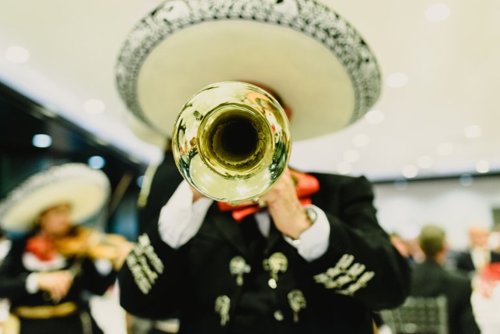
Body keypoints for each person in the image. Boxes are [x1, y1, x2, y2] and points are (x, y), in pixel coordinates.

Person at [115, 1, 411, 333]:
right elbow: (137, 300)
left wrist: (305, 226)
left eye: (259, 106)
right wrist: (183, 216)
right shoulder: (189, 210)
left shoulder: (342, 192)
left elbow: (393, 290)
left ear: (286, 118)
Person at [0, 163, 131, 334]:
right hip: (30, 327)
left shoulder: (78, 248)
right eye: (57, 213)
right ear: (42, 217)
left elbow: (98, 289)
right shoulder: (19, 247)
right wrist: (35, 280)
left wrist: (114, 264)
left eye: (67, 212)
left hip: (74, 326)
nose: (65, 218)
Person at [410, 224, 480, 334]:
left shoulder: (405, 280)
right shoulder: (460, 283)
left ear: (420, 246)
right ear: (445, 246)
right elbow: (469, 327)